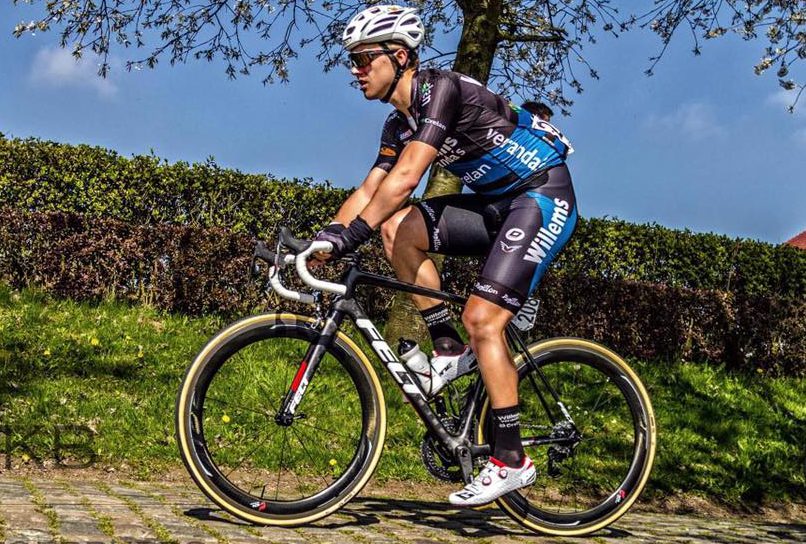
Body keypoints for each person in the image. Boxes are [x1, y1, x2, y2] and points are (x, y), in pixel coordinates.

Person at [313, 4, 577, 507]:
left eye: (364, 58)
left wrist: (351, 238)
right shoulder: (398, 125)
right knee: (397, 228)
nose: (356, 69)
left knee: (483, 319)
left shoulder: (441, 90)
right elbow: (371, 190)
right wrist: (325, 238)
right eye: (352, 60)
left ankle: (511, 460)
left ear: (399, 56)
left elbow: (407, 178)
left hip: (541, 197)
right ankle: (448, 348)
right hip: (494, 205)